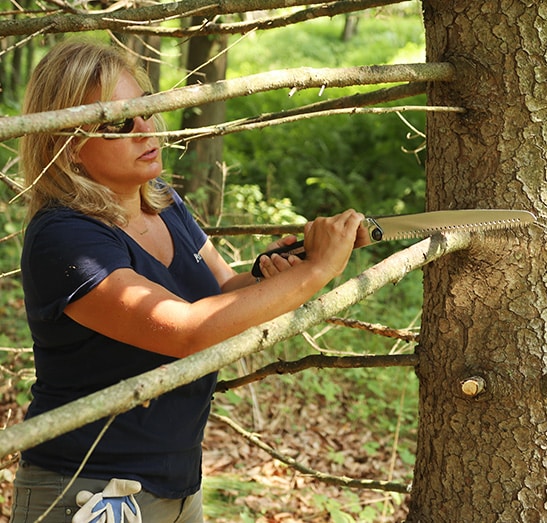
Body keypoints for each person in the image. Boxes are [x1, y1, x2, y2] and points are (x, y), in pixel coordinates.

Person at [10, 38, 368, 522]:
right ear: (66, 145)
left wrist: (276, 272)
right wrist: (320, 271)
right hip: (89, 492)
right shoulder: (64, 235)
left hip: (177, 485)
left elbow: (223, 292)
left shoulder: (161, 198)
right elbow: (185, 331)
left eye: (147, 110)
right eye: (118, 122)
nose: (145, 130)